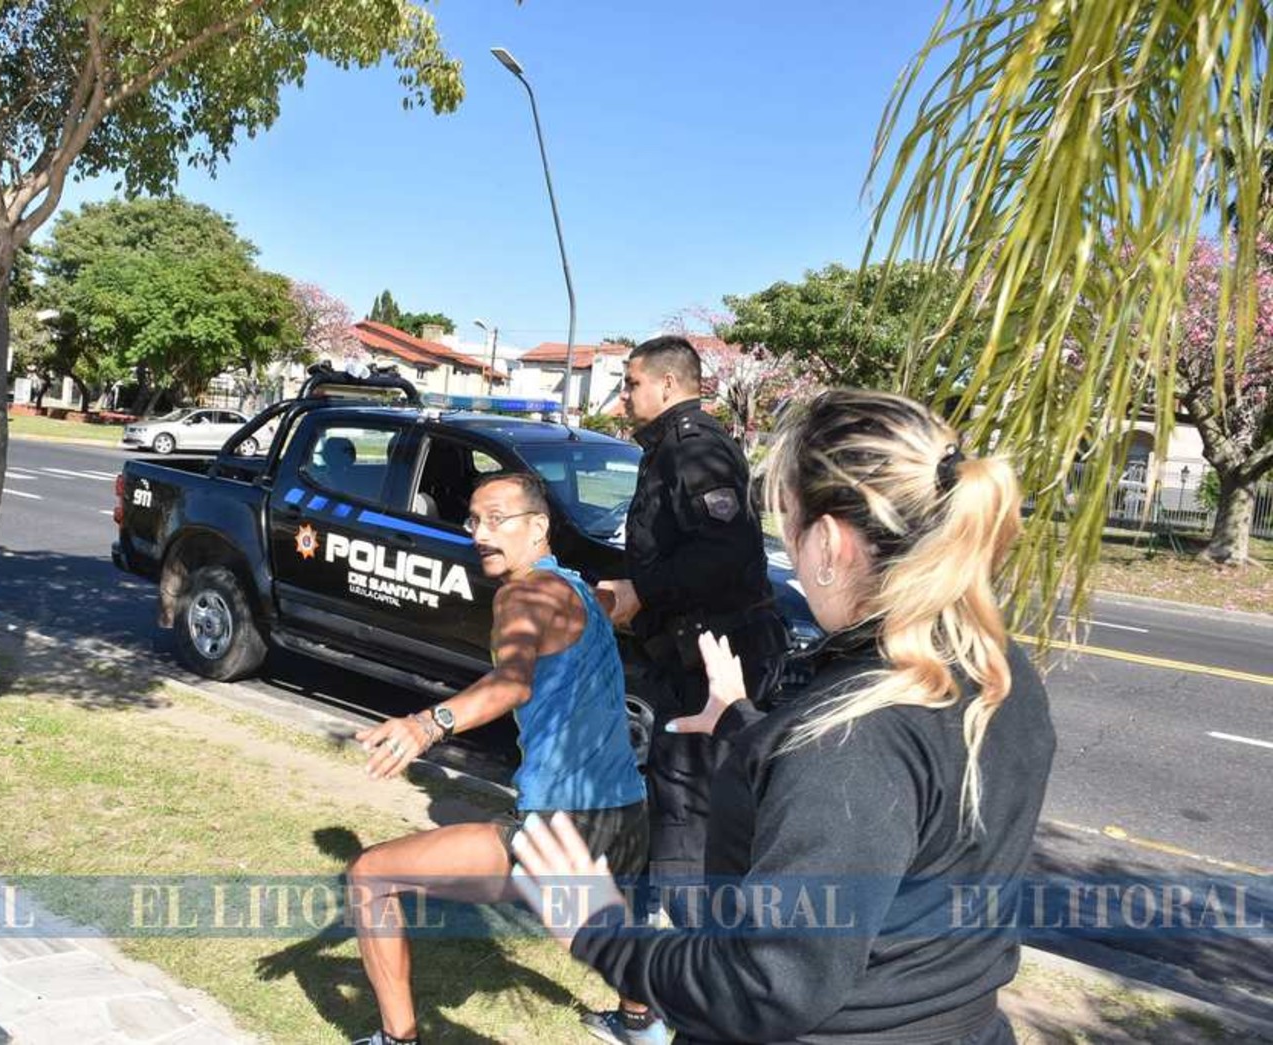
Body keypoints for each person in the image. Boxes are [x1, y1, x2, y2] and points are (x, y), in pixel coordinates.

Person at [512, 389, 1057, 1044]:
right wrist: (747, 731)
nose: (791, 551)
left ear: (828, 542)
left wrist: (599, 930)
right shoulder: (996, 666)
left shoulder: (846, 737)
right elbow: (906, 816)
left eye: (788, 524)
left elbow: (769, 983)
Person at [345, 471, 651, 1045]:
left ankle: (398, 1039)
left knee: (371, 875)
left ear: (538, 527)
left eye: (497, 520)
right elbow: (623, 600)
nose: (480, 534)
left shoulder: (523, 594)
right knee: (617, 915)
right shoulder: (577, 590)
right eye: (473, 521)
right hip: (627, 809)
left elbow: (512, 683)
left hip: (563, 825)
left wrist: (425, 724)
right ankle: (642, 1022)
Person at [596, 336, 787, 926]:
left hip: (717, 655)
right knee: (686, 799)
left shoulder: (693, 448)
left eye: (631, 384)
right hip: (691, 649)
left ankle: (676, 972)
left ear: (669, 386)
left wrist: (641, 592)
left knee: (688, 804)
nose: (623, 397)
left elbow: (722, 554)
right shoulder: (670, 448)